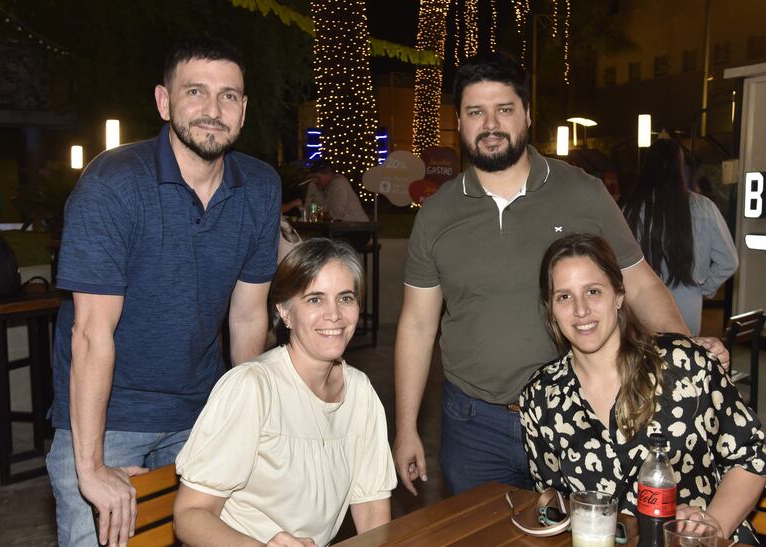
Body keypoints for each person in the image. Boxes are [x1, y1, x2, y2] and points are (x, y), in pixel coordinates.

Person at [393, 51, 728, 497]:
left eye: (504, 109)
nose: (490, 123)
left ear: (527, 115)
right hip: (473, 424)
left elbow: (640, 281)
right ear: (460, 121)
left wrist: (684, 352)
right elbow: (417, 324)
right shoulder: (436, 215)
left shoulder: (582, 193)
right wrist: (405, 426)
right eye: (476, 112)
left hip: (575, 418)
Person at [47, 36, 281, 546]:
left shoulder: (260, 187)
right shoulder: (114, 183)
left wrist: (247, 424)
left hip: (201, 413)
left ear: (244, 110)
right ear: (163, 101)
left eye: (229, 96)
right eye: (195, 92)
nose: (212, 111)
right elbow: (91, 333)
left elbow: (246, 318)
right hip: (109, 417)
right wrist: (90, 467)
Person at [520, 233, 766, 543]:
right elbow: (555, 504)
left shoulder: (684, 364)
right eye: (564, 297)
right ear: (550, 307)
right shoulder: (541, 398)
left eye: (593, 291)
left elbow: (751, 457)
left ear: (619, 295)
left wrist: (711, 524)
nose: (581, 310)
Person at [173, 238, 396, 546]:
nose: (334, 315)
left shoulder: (360, 393)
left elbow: (372, 509)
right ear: (285, 312)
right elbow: (190, 515)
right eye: (315, 299)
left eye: (346, 298)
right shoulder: (252, 388)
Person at [623, 139, 738, 335]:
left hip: (640, 299)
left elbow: (618, 261)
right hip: (688, 301)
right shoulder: (703, 206)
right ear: (680, 167)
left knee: (644, 361)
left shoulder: (631, 209)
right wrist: (703, 288)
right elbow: (729, 261)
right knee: (684, 360)